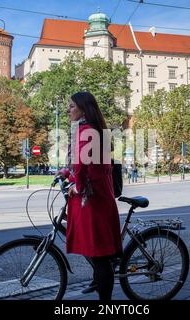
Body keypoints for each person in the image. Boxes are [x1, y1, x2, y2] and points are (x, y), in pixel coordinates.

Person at [60, 92, 122, 301]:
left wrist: (76, 186)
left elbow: (83, 166)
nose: (68, 110)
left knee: (101, 258)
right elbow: (88, 165)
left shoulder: (86, 130)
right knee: (99, 255)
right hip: (100, 198)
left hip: (94, 202)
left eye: (71, 106)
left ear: (83, 109)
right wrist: (67, 174)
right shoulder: (94, 130)